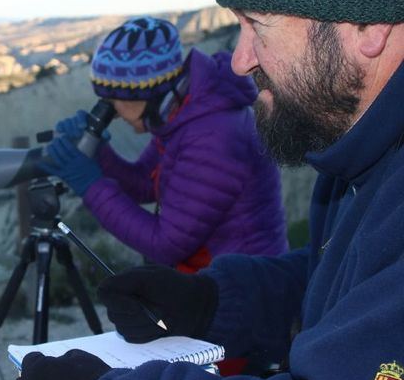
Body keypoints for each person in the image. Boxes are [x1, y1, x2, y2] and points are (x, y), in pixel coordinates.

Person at [15, 0, 404, 380]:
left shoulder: (217, 135)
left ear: (369, 24)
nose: (239, 60)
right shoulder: (353, 152)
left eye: (257, 23)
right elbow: (336, 282)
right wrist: (212, 302)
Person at [40, 16, 287, 274]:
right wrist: (99, 154)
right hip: (213, 282)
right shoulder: (185, 114)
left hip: (243, 293)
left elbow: (165, 244)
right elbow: (148, 184)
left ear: (146, 93)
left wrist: (90, 184)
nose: (111, 111)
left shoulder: (213, 136)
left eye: (113, 98)